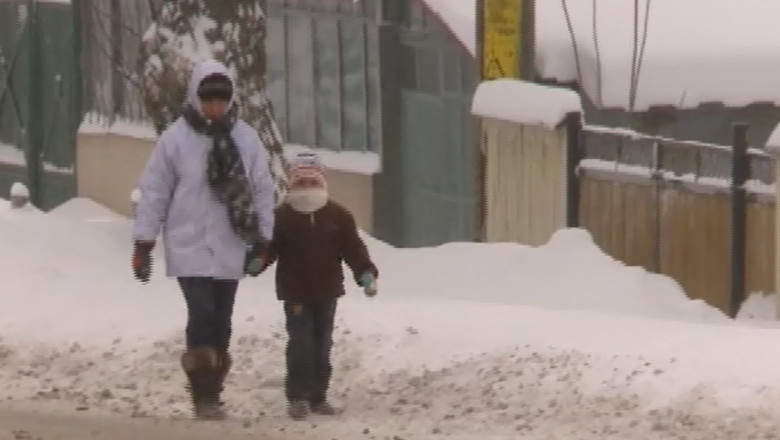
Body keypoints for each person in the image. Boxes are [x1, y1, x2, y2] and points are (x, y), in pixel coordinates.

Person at [131, 59, 275, 420]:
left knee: (222, 320)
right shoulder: (176, 140)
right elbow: (155, 191)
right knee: (202, 313)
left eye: (221, 100)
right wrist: (143, 243)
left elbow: (261, 189)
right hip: (188, 245)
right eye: (208, 99)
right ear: (195, 98)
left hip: (230, 244)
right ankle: (202, 395)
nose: (214, 107)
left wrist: (263, 239)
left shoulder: (246, 139)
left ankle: (213, 387)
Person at [261, 152, 379, 421]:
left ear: (323, 183)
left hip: (327, 292)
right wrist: (257, 260)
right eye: (301, 183)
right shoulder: (282, 216)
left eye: (312, 182)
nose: (307, 188)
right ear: (291, 184)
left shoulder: (337, 215)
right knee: (301, 343)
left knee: (322, 345)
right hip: (295, 293)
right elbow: (269, 249)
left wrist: (365, 273)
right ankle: (298, 397)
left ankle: (318, 396)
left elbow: (353, 249)